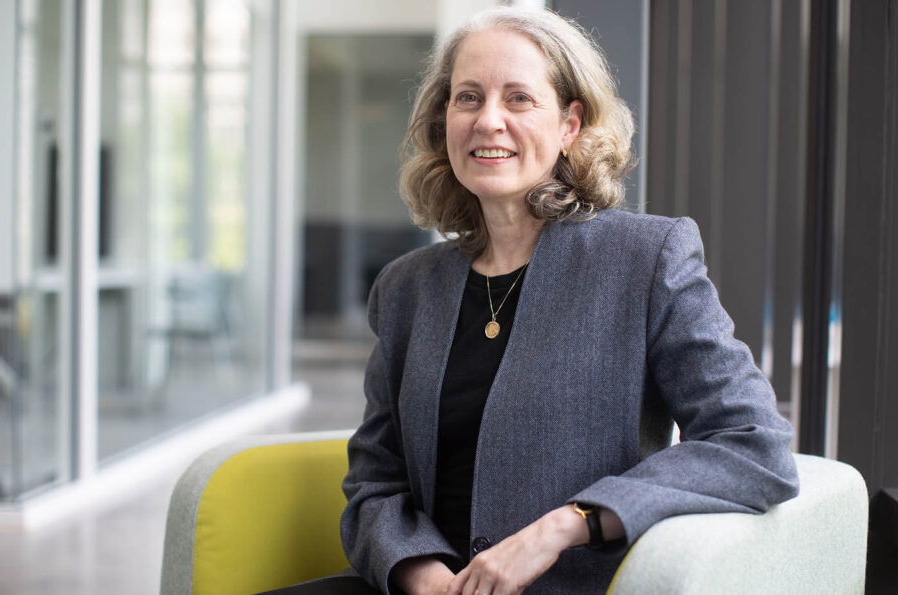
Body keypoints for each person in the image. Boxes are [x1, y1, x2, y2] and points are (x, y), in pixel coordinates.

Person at [276, 6, 798, 595]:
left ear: (569, 125)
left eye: (519, 99)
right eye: (467, 98)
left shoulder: (646, 259)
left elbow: (753, 443)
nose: (488, 120)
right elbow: (376, 480)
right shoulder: (406, 288)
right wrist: (416, 570)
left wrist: (563, 527)